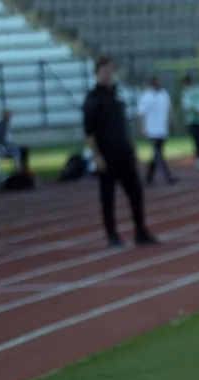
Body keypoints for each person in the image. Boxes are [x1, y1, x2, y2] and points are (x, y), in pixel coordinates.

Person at [82, 55, 158, 248]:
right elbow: (89, 131)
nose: (108, 74)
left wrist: (132, 148)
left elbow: (123, 125)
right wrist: (96, 156)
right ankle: (112, 235)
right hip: (106, 153)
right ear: (97, 72)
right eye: (105, 70)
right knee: (107, 196)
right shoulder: (93, 98)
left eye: (110, 70)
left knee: (135, 192)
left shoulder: (116, 95)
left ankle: (140, 231)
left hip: (123, 150)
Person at [136, 76, 177, 186]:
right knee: (158, 154)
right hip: (152, 130)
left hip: (162, 129)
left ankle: (148, 177)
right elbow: (140, 114)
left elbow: (169, 109)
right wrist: (142, 128)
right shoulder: (146, 96)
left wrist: (172, 122)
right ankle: (167, 176)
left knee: (156, 154)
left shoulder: (164, 94)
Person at [0, 109, 29, 178]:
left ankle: (21, 171)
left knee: (22, 150)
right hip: (3, 147)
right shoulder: (2, 125)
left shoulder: (6, 124)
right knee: (19, 152)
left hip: (6, 145)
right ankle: (20, 172)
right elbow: (1, 138)